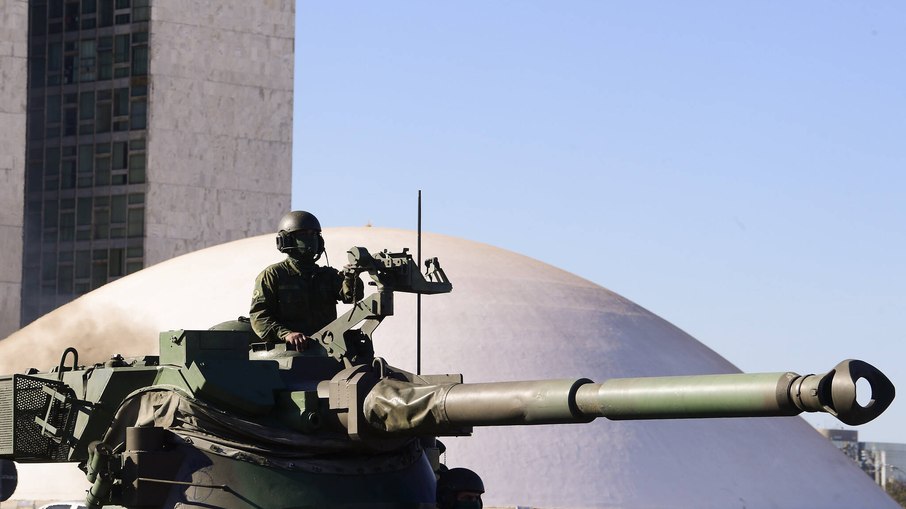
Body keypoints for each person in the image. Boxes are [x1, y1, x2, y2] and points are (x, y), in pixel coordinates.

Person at [249, 210, 361, 349]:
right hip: (288, 354)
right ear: (286, 240)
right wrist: (286, 335)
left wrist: (352, 277)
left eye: (314, 235)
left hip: (326, 351)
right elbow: (259, 316)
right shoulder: (273, 275)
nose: (311, 239)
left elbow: (352, 297)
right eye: (303, 235)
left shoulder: (327, 275)